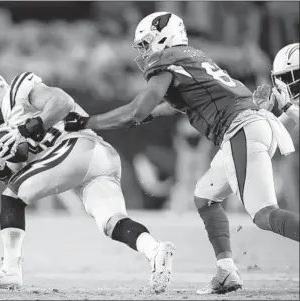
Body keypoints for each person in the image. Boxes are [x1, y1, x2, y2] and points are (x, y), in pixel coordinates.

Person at [63, 11, 299, 295]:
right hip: (251, 124)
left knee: (264, 215)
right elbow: (175, 105)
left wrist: (90, 122)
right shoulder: (194, 56)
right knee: (205, 196)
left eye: (147, 43)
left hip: (241, 129)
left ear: (164, 37)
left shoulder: (167, 59)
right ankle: (226, 271)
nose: (145, 51)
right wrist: (144, 115)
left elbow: (136, 111)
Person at [0, 69, 176, 293]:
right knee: (112, 222)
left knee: (12, 195)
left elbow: (62, 101)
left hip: (76, 147)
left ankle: (10, 269)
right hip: (99, 159)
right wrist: (2, 168)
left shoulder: (17, 95)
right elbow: (18, 179)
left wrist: (29, 127)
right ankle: (155, 250)